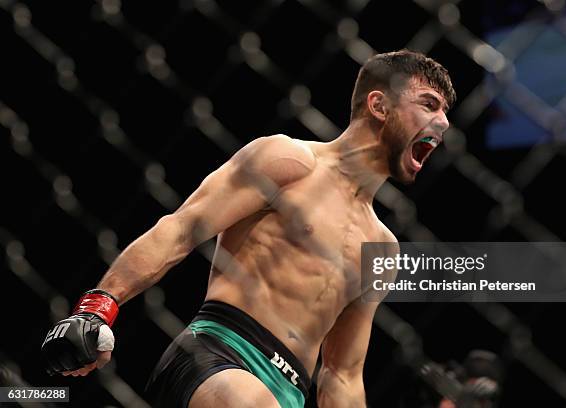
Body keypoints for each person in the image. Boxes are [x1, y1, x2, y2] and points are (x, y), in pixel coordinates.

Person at [41, 49, 455, 408]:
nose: (443, 124)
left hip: (290, 391)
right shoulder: (289, 162)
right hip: (219, 354)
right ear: (379, 106)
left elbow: (341, 375)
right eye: (429, 103)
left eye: (445, 113)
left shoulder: (382, 248)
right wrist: (99, 307)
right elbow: (181, 229)